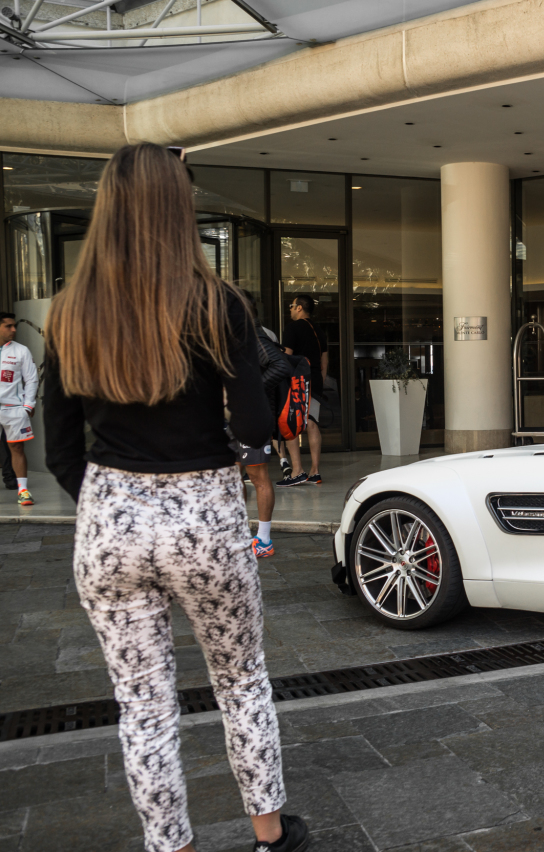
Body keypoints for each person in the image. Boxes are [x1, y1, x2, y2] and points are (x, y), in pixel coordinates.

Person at [42, 143, 308, 852]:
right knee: (242, 680)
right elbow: (253, 429)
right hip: (205, 520)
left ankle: (174, 846)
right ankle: (269, 835)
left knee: (143, 706)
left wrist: (110, 501)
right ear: (176, 209)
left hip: (110, 524)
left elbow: (60, 449)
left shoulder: (70, 312)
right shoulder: (218, 305)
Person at [234, 292, 292, 558]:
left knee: (257, 478)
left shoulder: (255, 334)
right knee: (232, 478)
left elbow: (281, 365)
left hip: (252, 417)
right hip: (233, 417)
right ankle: (237, 532)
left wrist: (251, 391)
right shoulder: (236, 334)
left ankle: (264, 540)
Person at [279, 294, 326, 486]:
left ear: (299, 308)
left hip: (297, 381)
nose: (290, 309)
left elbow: (286, 358)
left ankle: (297, 471)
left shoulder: (292, 328)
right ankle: (315, 471)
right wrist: (318, 382)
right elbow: (324, 361)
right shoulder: (319, 330)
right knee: (312, 423)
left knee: (292, 424)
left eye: (292, 306)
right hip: (314, 380)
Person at [0, 313, 38, 505]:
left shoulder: (21, 350)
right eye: (8, 326)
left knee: (17, 447)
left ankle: (23, 490)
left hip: (13, 408)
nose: (14, 330)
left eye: (14, 326)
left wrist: (28, 405)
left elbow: (31, 379)